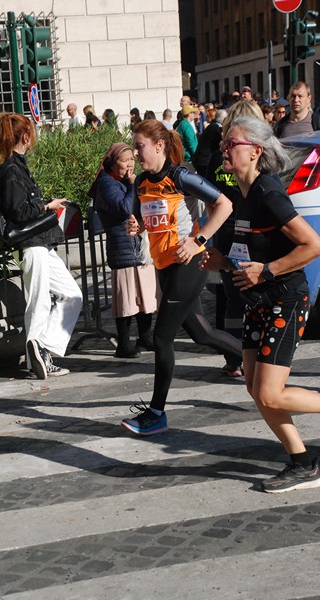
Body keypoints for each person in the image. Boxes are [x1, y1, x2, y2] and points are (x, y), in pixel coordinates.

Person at [200, 116, 320, 493]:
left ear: (256, 150)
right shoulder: (242, 194)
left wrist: (266, 271)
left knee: (270, 391)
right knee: (255, 388)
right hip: (259, 302)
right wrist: (223, 262)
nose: (225, 149)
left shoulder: (269, 193)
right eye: (223, 143)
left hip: (286, 298)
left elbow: (313, 245)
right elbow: (248, 246)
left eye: (231, 143)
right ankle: (302, 462)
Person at [121, 119, 242, 436]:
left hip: (189, 264)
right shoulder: (142, 183)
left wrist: (199, 241)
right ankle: (252, 359)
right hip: (165, 267)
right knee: (201, 333)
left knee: (162, 338)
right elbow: (149, 221)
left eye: (140, 146)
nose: (135, 153)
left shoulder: (181, 176)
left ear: (158, 146)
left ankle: (156, 413)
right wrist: (137, 227)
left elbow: (224, 205)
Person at [0, 113, 82, 379]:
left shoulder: (16, 166)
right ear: (25, 136)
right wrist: (47, 207)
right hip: (31, 244)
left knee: (71, 294)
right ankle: (38, 352)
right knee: (39, 301)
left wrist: (47, 205)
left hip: (41, 243)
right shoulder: (10, 169)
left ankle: (42, 347)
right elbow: (19, 211)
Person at [205, 100, 266, 378]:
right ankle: (251, 354)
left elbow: (210, 201)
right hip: (246, 232)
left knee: (233, 297)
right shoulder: (243, 158)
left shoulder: (220, 158)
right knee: (249, 294)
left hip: (228, 232)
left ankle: (233, 358)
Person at [88, 143, 159, 358]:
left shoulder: (120, 181)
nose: (130, 165)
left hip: (136, 244)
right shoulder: (107, 183)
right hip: (122, 246)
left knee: (144, 293)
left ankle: (145, 337)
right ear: (113, 163)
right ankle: (124, 344)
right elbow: (126, 208)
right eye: (124, 160)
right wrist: (132, 184)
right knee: (127, 298)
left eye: (131, 160)